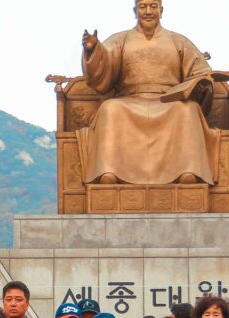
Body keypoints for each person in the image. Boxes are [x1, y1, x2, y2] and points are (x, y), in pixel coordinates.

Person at [78, 0, 221, 187]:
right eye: (142, 6)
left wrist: (201, 83)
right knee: (110, 108)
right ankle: (108, 171)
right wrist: (93, 50)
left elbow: (200, 71)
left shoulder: (179, 41)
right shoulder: (120, 40)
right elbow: (102, 65)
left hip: (169, 101)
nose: (148, 11)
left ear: (161, 10)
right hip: (129, 100)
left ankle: (188, 170)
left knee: (188, 110)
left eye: (153, 6)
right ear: (134, 11)